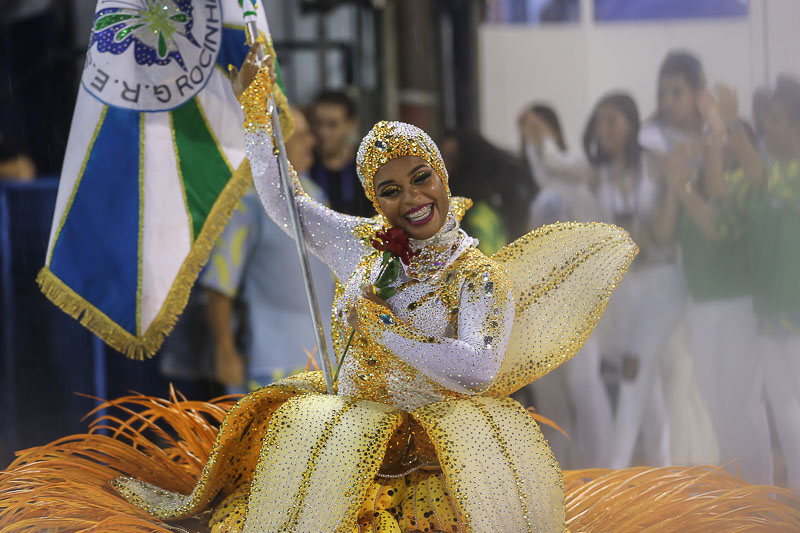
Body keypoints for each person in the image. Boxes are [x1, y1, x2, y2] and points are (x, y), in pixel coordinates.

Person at [3, 47, 800, 533]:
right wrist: (256, 111)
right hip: (348, 427)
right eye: (387, 188)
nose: (409, 197)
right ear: (375, 197)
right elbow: (285, 206)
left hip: (438, 455)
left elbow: (477, 370)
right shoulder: (366, 241)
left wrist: (386, 335)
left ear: (442, 174)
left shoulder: (478, 274)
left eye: (420, 177)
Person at [651, 81, 774, 485]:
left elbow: (717, 228)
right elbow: (664, 233)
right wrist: (675, 185)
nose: (704, 146)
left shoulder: (735, 189)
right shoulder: (694, 187)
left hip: (739, 306)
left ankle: (766, 496)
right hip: (702, 308)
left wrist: (684, 186)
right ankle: (744, 493)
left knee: (742, 404)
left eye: (712, 140)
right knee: (719, 407)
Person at [201, 107, 335, 393]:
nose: (310, 141)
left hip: (327, 363)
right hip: (272, 367)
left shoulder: (315, 195)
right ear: (273, 147)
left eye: (308, 133)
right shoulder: (248, 202)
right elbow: (219, 285)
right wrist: (224, 351)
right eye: (298, 136)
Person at [747, 75, 800, 488]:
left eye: (778, 119)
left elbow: (760, 172)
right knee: (783, 408)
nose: (767, 126)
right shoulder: (767, 174)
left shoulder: (788, 175)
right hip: (768, 311)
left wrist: (726, 126)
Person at [309, 90, 373, 218]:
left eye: (332, 125)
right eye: (318, 123)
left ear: (351, 124)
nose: (323, 132)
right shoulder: (305, 167)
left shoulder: (368, 169)